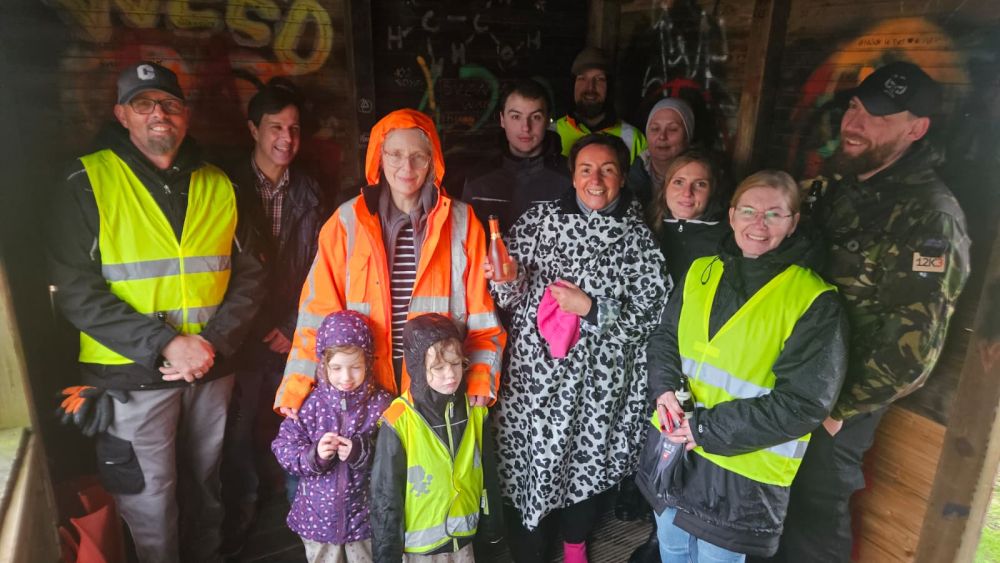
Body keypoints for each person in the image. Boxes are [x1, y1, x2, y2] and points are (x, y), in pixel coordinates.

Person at [48, 61, 264, 563]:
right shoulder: (86, 181)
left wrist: (212, 343)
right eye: (143, 104)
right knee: (147, 503)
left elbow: (253, 274)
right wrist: (165, 343)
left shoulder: (220, 183)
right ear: (122, 114)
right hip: (129, 376)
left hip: (211, 369)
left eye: (169, 104)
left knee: (206, 484)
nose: (158, 114)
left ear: (185, 115)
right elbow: (74, 291)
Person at [770, 61, 971, 562]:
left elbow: (913, 352)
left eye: (878, 116)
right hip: (786, 383)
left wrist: (836, 411)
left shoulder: (931, 218)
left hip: (836, 407)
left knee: (812, 522)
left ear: (916, 129)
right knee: (768, 507)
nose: (855, 123)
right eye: (856, 107)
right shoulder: (838, 187)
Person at [641, 171, 848, 561]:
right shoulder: (700, 271)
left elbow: (804, 402)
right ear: (732, 215)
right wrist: (663, 388)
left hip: (739, 478)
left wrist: (705, 428)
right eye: (749, 211)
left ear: (793, 222)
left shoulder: (814, 299)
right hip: (675, 450)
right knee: (672, 548)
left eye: (774, 214)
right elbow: (665, 337)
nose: (759, 224)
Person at [486, 134, 669, 562]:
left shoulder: (639, 240)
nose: (596, 179)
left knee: (584, 463)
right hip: (534, 376)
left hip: (598, 385)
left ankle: (574, 545)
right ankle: (530, 543)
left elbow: (652, 319)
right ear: (572, 176)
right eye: (586, 169)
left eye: (608, 169)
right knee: (530, 460)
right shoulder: (539, 221)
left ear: (622, 178)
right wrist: (507, 279)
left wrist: (591, 309)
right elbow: (508, 295)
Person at [274, 109, 504, 418]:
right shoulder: (346, 222)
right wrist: (298, 384)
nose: (406, 167)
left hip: (439, 388)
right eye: (395, 155)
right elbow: (318, 314)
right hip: (362, 392)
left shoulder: (463, 222)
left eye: (418, 156)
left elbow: (482, 316)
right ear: (379, 159)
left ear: (433, 161)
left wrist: (480, 376)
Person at [220, 80, 327, 553]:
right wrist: (247, 324)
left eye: (294, 128)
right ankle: (245, 512)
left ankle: (298, 508)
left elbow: (319, 268)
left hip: (291, 332)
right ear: (253, 130)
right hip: (239, 332)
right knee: (238, 428)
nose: (286, 138)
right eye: (275, 127)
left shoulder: (310, 191)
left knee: (295, 417)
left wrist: (290, 325)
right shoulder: (226, 185)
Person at [370, 313, 504, 562]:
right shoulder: (398, 420)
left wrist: (493, 527)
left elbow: (488, 473)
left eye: (456, 364)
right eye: (438, 368)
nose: (450, 375)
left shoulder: (475, 410)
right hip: (419, 550)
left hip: (465, 538)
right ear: (418, 369)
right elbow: (385, 496)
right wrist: (386, 556)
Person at [271, 310, 392, 563]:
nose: (346, 378)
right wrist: (313, 455)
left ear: (368, 363)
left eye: (355, 367)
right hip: (318, 521)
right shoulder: (309, 404)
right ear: (323, 365)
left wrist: (361, 452)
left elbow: (396, 451)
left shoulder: (381, 404)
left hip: (365, 520)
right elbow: (283, 446)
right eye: (336, 368)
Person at [462, 78, 573, 234]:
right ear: (502, 119)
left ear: (548, 120)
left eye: (536, 117)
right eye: (516, 116)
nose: (526, 127)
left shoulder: (571, 178)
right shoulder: (477, 179)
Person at [648, 149, 730, 286]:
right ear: (665, 188)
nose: (687, 193)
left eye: (700, 184)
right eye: (679, 182)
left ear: (712, 191)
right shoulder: (644, 228)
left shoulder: (726, 240)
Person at [551, 47, 647, 163]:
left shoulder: (633, 138)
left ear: (610, 87)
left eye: (599, 79)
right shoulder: (551, 134)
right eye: (582, 78)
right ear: (572, 85)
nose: (590, 87)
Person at [628, 98, 696, 209]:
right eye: (655, 129)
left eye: (672, 129)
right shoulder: (631, 177)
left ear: (687, 137)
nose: (662, 136)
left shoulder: (703, 180)